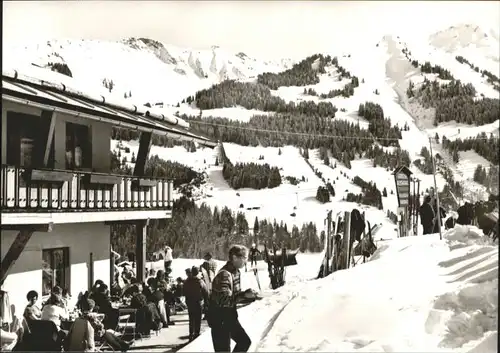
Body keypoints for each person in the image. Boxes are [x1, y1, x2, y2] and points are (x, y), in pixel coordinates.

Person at [208, 245, 256, 352]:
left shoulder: (236, 272)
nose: (246, 261)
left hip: (229, 317)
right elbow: (224, 300)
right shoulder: (224, 275)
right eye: (244, 258)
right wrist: (244, 296)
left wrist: (251, 297)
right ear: (234, 257)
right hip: (219, 320)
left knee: (244, 341)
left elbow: (235, 296)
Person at [183, 266, 209, 341]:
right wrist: (206, 301)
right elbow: (206, 292)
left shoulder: (187, 281)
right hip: (198, 302)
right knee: (198, 319)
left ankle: (191, 333)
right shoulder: (200, 281)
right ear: (197, 272)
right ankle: (196, 333)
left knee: (191, 319)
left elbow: (184, 291)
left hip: (190, 302)